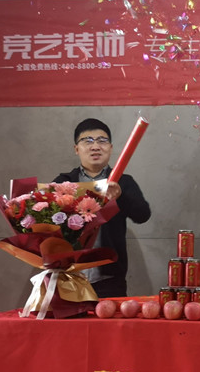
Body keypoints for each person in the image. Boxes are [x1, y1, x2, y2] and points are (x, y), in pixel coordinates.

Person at [53, 117, 151, 298]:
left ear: (111, 148)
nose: (95, 146)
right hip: (69, 277)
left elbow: (143, 215)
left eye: (102, 141)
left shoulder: (123, 182)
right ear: (76, 149)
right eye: (87, 141)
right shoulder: (63, 182)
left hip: (109, 279)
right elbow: (49, 224)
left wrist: (120, 197)